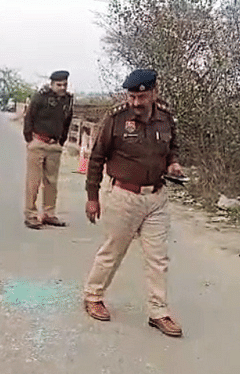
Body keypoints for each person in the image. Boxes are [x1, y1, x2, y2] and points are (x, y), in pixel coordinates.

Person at [82, 69, 184, 338]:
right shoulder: (116, 119)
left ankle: (158, 311)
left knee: (158, 259)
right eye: (132, 96)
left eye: (142, 96)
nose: (136, 102)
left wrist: (173, 163)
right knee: (113, 252)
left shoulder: (165, 117)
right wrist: (92, 197)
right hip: (124, 197)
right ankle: (93, 295)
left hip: (157, 198)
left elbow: (172, 146)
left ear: (154, 93)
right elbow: (96, 158)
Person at [22, 70, 74, 229]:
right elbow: (29, 117)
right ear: (51, 84)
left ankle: (49, 214)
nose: (62, 87)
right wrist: (30, 139)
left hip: (54, 145)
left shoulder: (68, 100)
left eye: (65, 84)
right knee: (34, 181)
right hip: (38, 141)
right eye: (59, 84)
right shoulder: (41, 97)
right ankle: (30, 214)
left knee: (51, 181)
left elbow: (67, 122)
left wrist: (61, 142)